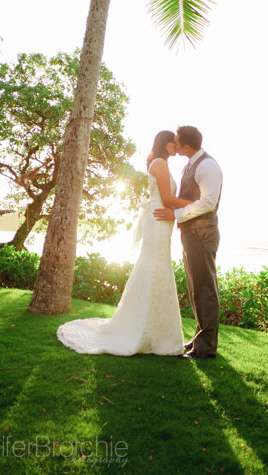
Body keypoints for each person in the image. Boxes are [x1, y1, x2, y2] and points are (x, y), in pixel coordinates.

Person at [56, 131, 186, 356]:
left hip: (159, 221)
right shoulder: (160, 164)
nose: (177, 146)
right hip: (158, 221)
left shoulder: (157, 162)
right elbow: (166, 199)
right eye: (174, 142)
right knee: (156, 268)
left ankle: (153, 328)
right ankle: (146, 330)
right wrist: (198, 204)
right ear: (167, 143)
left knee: (155, 269)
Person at [153, 125, 223, 360]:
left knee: (205, 287)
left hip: (203, 233)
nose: (173, 143)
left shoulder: (208, 166)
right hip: (191, 233)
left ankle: (206, 348)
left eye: (176, 141)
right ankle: (199, 339)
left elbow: (208, 203)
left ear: (186, 146)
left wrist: (176, 215)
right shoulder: (190, 164)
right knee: (196, 287)